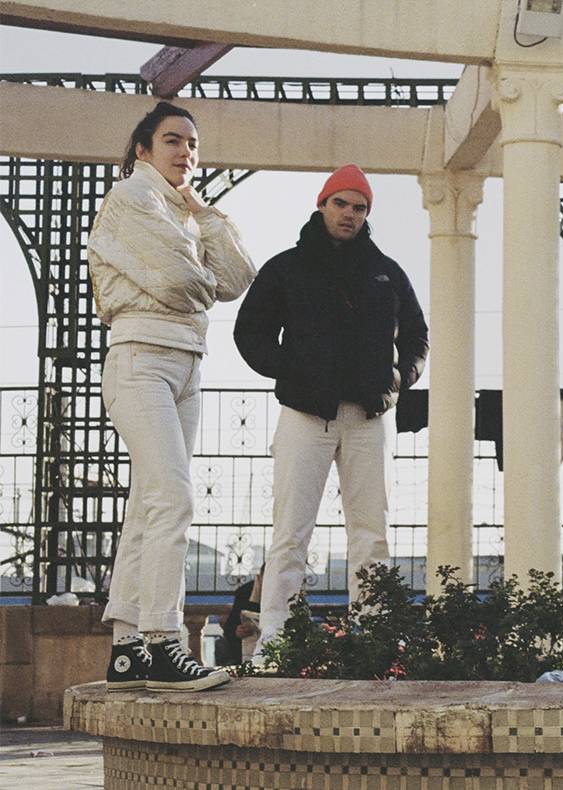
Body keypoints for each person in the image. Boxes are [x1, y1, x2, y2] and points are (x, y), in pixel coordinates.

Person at [234, 165, 428, 659]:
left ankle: (374, 639)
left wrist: (397, 379)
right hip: (305, 416)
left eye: (359, 207)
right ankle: (274, 641)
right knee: (290, 532)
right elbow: (250, 330)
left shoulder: (387, 273)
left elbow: (417, 336)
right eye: (340, 203)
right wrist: (291, 372)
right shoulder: (286, 267)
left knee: (372, 534)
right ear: (322, 205)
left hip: (370, 419)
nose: (349, 214)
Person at [92, 101, 255, 692]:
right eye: (172, 140)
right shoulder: (130, 197)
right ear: (143, 149)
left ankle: (126, 649)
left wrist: (205, 217)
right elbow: (177, 280)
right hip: (140, 358)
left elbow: (237, 278)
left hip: (187, 363)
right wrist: (200, 278)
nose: (185, 151)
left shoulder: (185, 214)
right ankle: (163, 640)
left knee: (148, 506)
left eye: (192, 143)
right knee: (173, 498)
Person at [216, 572, 263, 667]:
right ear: (259, 578)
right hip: (246, 652)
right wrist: (237, 631)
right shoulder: (245, 592)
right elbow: (230, 628)